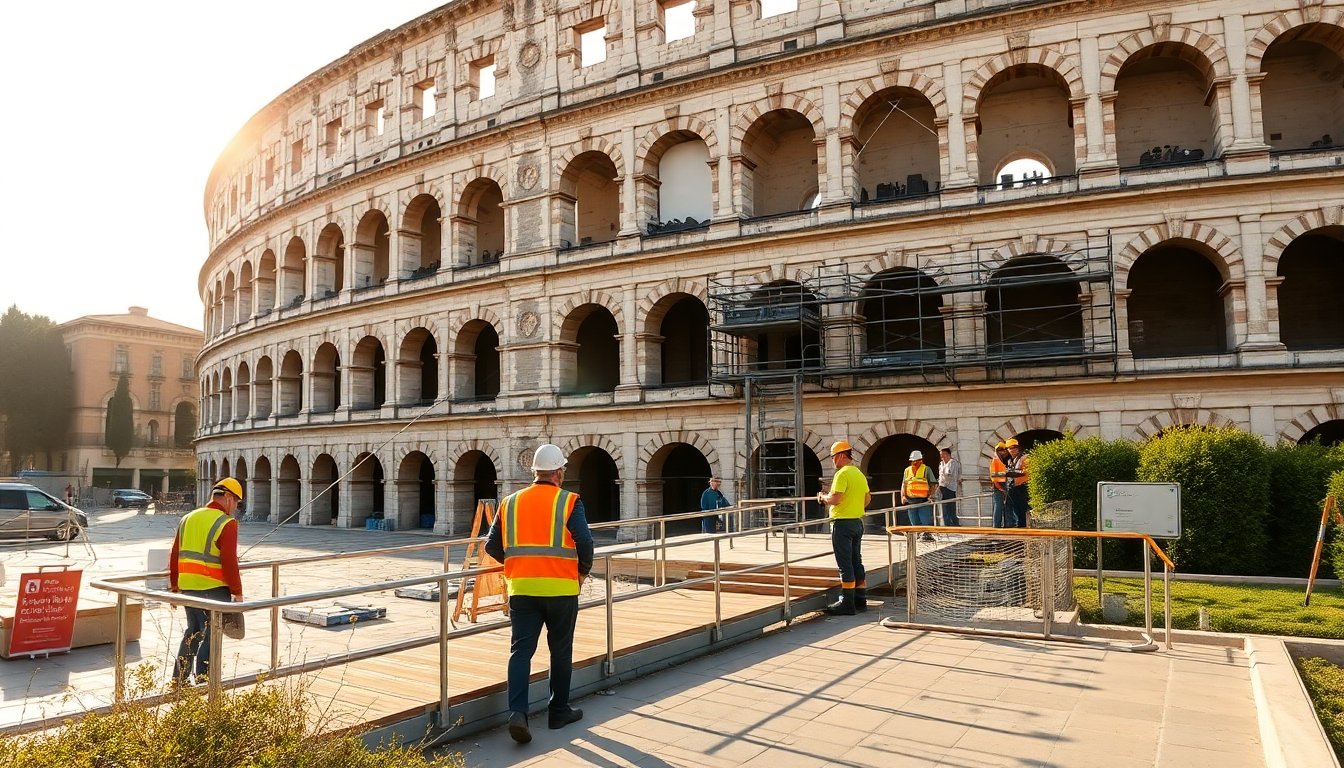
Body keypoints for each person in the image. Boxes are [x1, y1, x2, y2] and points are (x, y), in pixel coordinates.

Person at [486, 443, 595, 744]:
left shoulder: (510, 502)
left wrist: (519, 564)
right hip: (561, 589)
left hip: (521, 589)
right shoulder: (570, 501)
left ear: (534, 472)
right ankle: (558, 712)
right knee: (560, 652)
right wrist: (581, 572)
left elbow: (491, 546)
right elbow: (585, 542)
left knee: (521, 651)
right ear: (559, 472)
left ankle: (517, 713)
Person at [169, 477, 244, 686]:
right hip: (213, 587)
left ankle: (179, 679)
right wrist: (237, 592)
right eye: (236, 502)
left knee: (193, 631)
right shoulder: (226, 523)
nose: (236, 507)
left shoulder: (188, 518)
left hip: (187, 586)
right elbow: (229, 561)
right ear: (228, 498)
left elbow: (174, 554)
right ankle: (204, 681)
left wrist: (174, 586)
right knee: (212, 633)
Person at [816, 440, 871, 616]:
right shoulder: (859, 474)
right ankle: (860, 599)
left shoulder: (842, 474)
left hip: (842, 524)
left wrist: (823, 497)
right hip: (857, 522)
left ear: (840, 456)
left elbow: (836, 499)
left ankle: (847, 602)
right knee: (856, 561)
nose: (832, 461)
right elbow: (867, 499)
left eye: (833, 457)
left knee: (845, 563)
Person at [902, 450, 938, 541]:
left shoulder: (926, 469)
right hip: (911, 501)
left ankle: (926, 535)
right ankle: (917, 535)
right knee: (914, 521)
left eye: (916, 460)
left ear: (920, 460)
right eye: (912, 461)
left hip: (923, 500)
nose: (914, 462)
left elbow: (933, 483)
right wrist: (903, 496)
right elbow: (904, 484)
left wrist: (931, 495)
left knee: (925, 520)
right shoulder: (907, 470)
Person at [1005, 438, 1030, 527]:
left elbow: (1027, 471)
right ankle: (1020, 524)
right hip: (1013, 487)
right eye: (1010, 448)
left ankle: (1023, 525)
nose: (1012, 450)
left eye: (1014, 448)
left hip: (1022, 486)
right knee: (1015, 508)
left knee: (1023, 507)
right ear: (1008, 450)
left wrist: (1015, 473)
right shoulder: (1010, 461)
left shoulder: (1025, 458)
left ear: (1018, 448)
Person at [989, 442, 1012, 527]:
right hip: (999, 485)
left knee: (999, 505)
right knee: (998, 505)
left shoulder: (999, 460)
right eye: (1004, 450)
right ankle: (997, 525)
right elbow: (994, 476)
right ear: (1000, 451)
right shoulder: (996, 461)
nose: (1006, 453)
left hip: (1001, 485)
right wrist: (1000, 488)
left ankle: (999, 524)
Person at [937, 447, 961, 527]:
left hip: (950, 487)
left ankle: (954, 524)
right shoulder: (941, 464)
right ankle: (946, 524)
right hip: (942, 487)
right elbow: (941, 475)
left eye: (943, 455)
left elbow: (952, 476)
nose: (942, 457)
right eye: (941, 455)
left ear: (948, 454)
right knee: (944, 507)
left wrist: (945, 483)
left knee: (951, 507)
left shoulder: (953, 463)